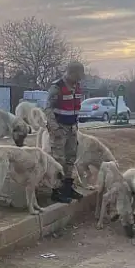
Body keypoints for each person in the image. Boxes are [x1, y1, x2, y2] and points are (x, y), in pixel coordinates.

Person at [44, 61, 85, 204]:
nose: (79, 79)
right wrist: (55, 128)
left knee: (70, 159)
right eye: (77, 76)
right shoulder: (57, 87)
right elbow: (48, 109)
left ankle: (68, 187)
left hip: (72, 128)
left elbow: (75, 109)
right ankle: (56, 190)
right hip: (60, 128)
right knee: (58, 160)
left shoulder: (77, 87)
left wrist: (75, 126)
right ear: (70, 73)